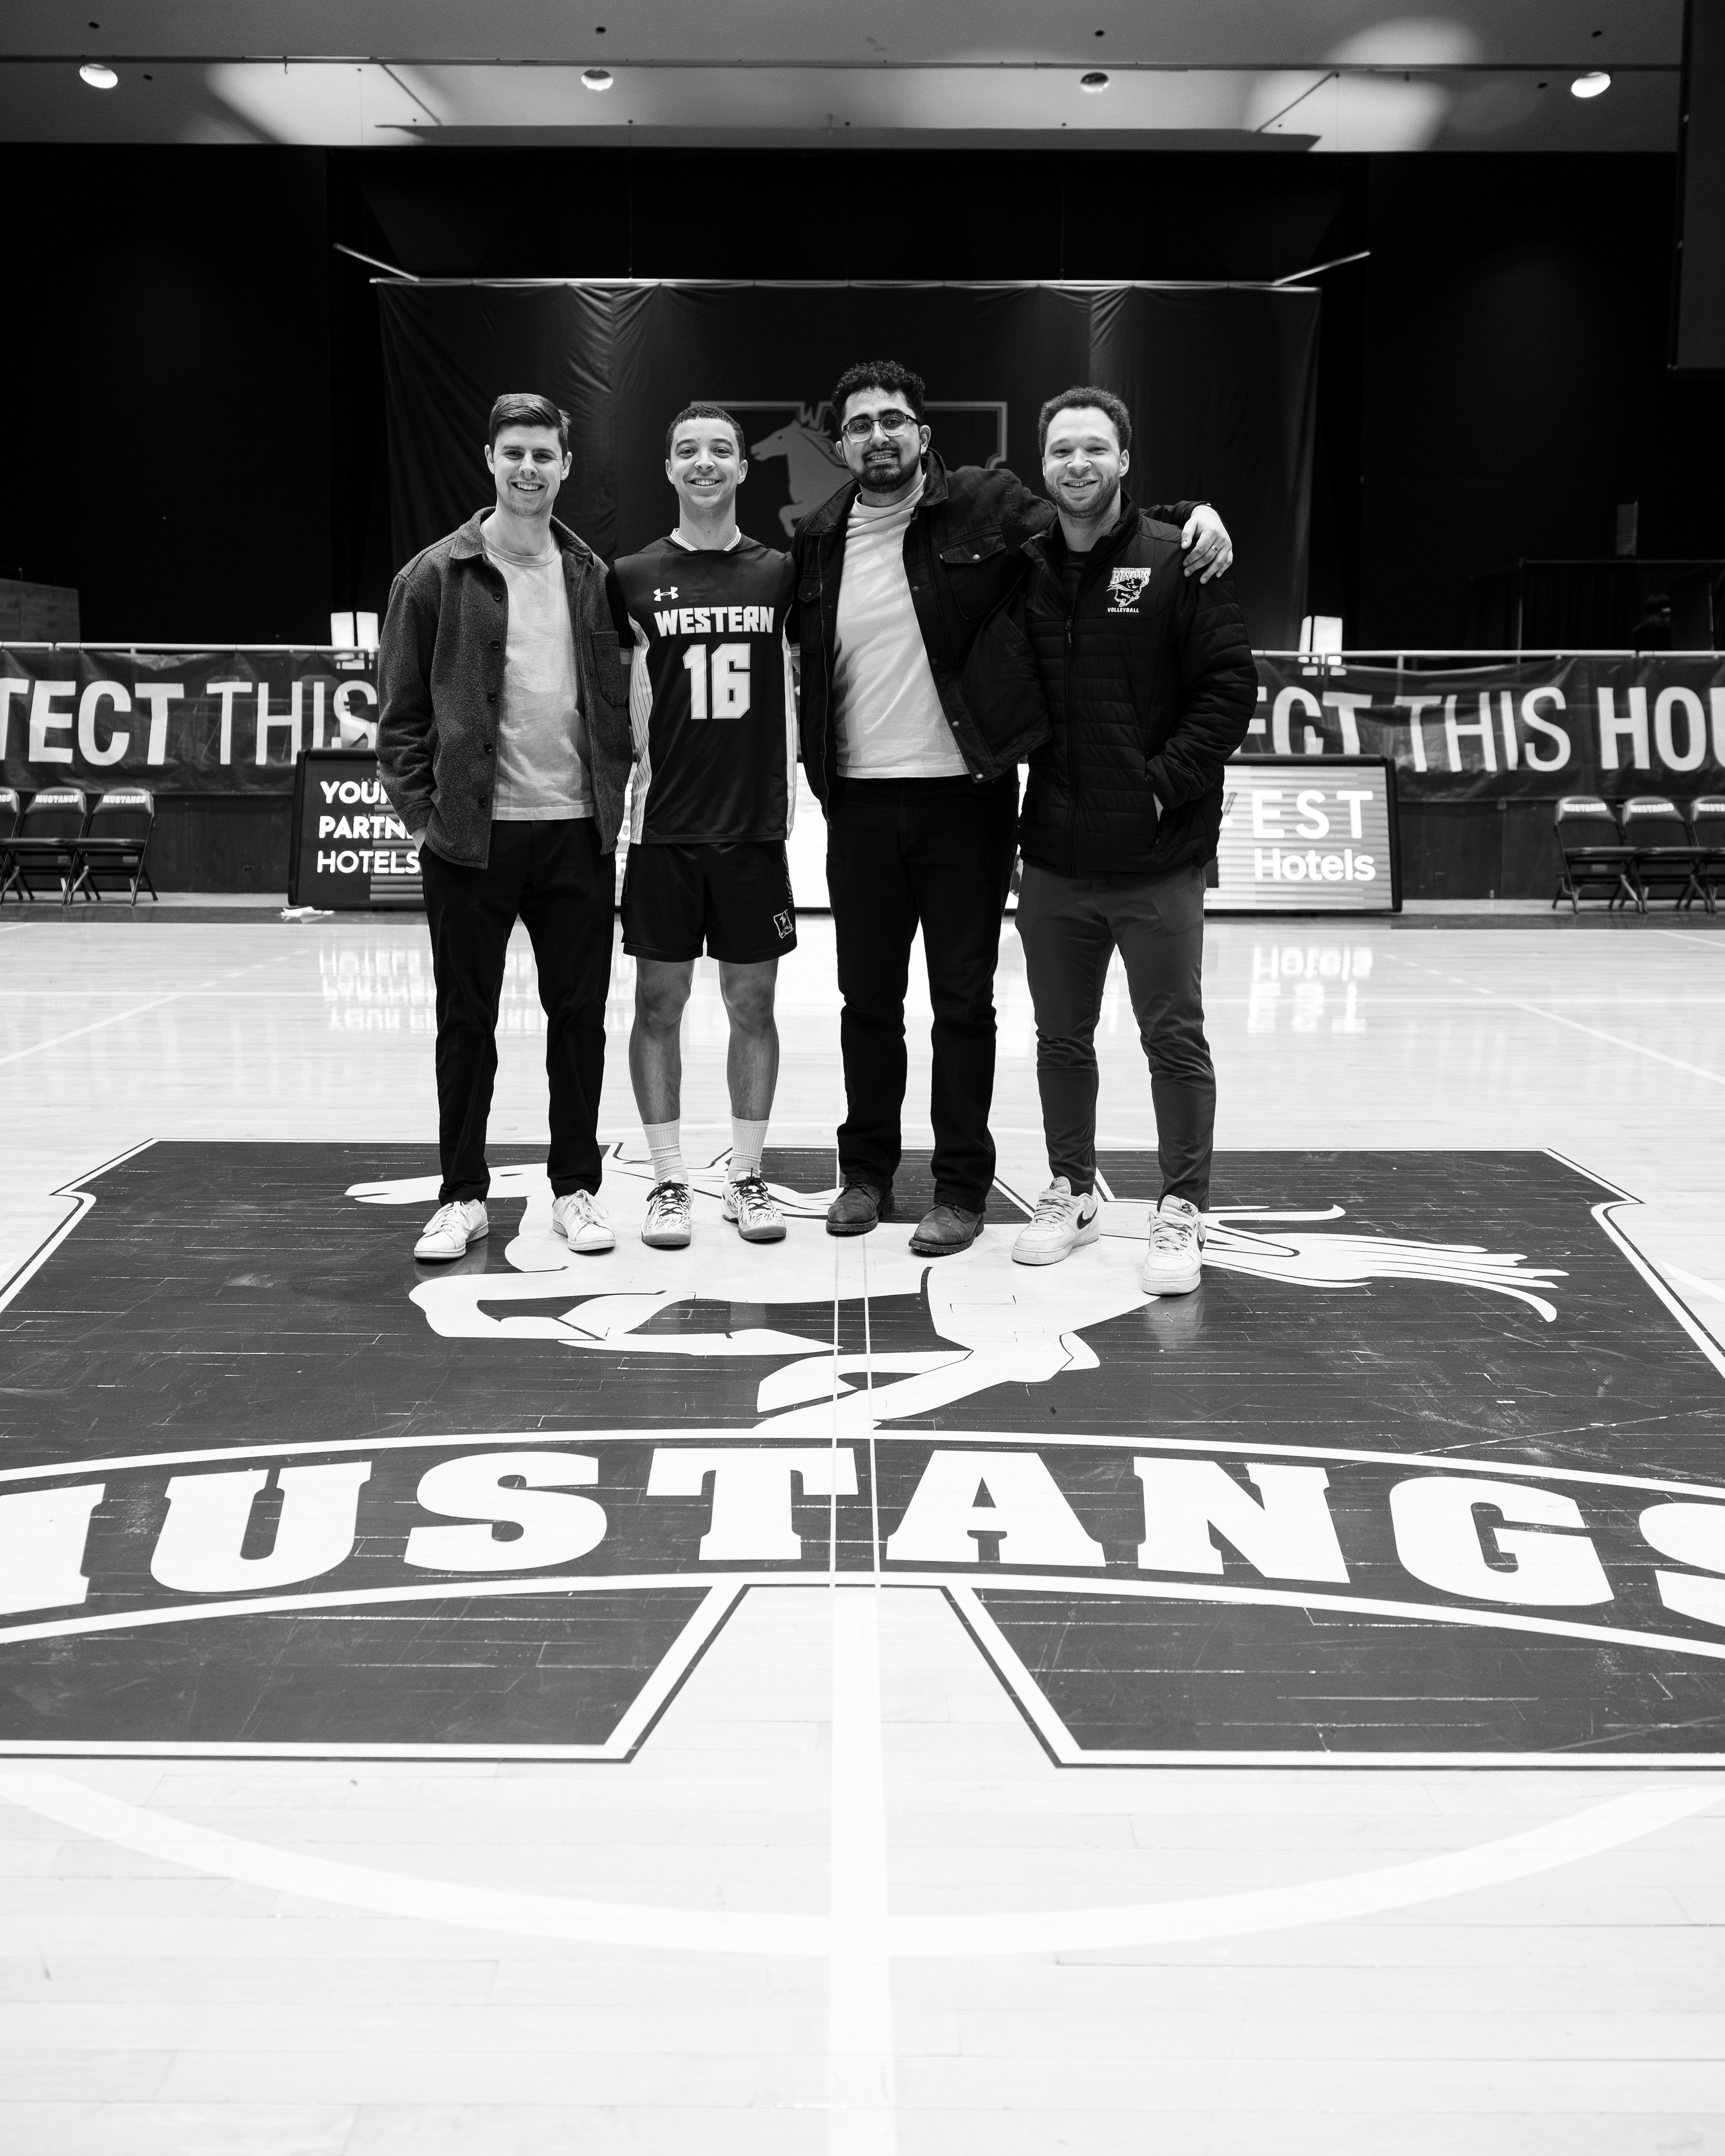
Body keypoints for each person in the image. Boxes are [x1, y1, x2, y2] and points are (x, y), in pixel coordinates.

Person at [788, 359, 1233, 1257]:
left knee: (963, 1005)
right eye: (861, 425)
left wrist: (1196, 515)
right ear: (840, 443)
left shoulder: (985, 505)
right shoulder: (820, 537)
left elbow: (1096, 513)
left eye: (894, 420)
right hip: (860, 804)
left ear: (923, 433)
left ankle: (961, 1189)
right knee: (865, 1003)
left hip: (968, 798)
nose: (879, 436)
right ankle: (866, 1174)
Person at [1002, 386, 1256, 1293]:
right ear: (1043, 465)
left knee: (1173, 1040)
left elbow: (1228, 689)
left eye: (1094, 448)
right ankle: (1071, 1191)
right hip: (1056, 856)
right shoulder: (1023, 563)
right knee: (1060, 1040)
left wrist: (1158, 788)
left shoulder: (1179, 557)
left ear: (1124, 459)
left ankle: (1182, 1207)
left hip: (1158, 859)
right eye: (1062, 450)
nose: (1078, 463)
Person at [377, 391, 632, 1264]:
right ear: (490, 460)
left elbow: (619, 703)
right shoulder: (431, 577)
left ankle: (576, 1190)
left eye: (543, 454)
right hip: (469, 841)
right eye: (514, 452)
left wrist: (617, 797)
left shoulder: (596, 577)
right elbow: (399, 720)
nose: (529, 468)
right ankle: (462, 1197)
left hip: (575, 834)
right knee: (465, 1024)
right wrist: (427, 819)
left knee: (579, 1021)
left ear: (567, 466)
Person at [607, 404, 799, 1249]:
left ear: (744, 467)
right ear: (669, 468)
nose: (705, 462)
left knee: (752, 1003)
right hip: (664, 829)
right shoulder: (630, 575)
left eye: (721, 449)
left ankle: (747, 1176)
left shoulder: (781, 573)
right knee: (659, 1004)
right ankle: (668, 1181)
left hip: (754, 830)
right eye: (688, 450)